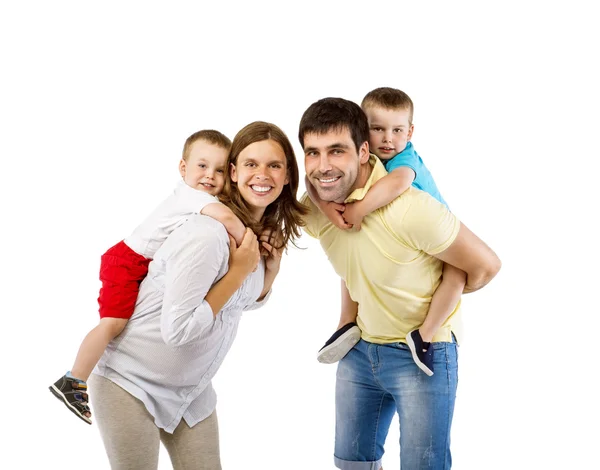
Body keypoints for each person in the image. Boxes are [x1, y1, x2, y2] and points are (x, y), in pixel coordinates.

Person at [87, 121, 307, 469]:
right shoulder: (207, 235)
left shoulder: (252, 237)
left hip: (189, 391)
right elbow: (178, 330)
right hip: (130, 382)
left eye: (274, 165)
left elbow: (240, 302)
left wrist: (271, 271)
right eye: (251, 164)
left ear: (288, 176)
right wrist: (237, 272)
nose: (262, 174)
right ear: (234, 172)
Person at [298, 97, 501, 469]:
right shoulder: (318, 203)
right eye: (313, 153)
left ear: (362, 152)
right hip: (360, 350)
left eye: (336, 151)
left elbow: (486, 265)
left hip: (421, 357)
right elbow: (280, 211)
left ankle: (425, 331)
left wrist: (446, 283)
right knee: (350, 463)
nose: (323, 165)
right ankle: (345, 324)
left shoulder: (410, 206)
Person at [49, 129, 247, 424]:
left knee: (123, 322)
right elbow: (229, 219)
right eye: (202, 166)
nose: (210, 176)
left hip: (138, 264)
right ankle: (74, 379)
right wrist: (251, 248)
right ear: (183, 168)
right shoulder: (192, 196)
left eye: (219, 170)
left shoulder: (201, 200)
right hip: (127, 262)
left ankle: (77, 377)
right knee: (113, 324)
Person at [308, 87, 466, 376]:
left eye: (397, 130)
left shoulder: (405, 160)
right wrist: (325, 206)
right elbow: (312, 179)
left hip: (439, 236)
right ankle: (346, 322)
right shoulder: (363, 158)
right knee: (353, 259)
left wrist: (360, 209)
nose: (388, 138)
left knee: (456, 276)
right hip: (401, 237)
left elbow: (398, 183)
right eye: (377, 129)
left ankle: (426, 335)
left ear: (410, 132)